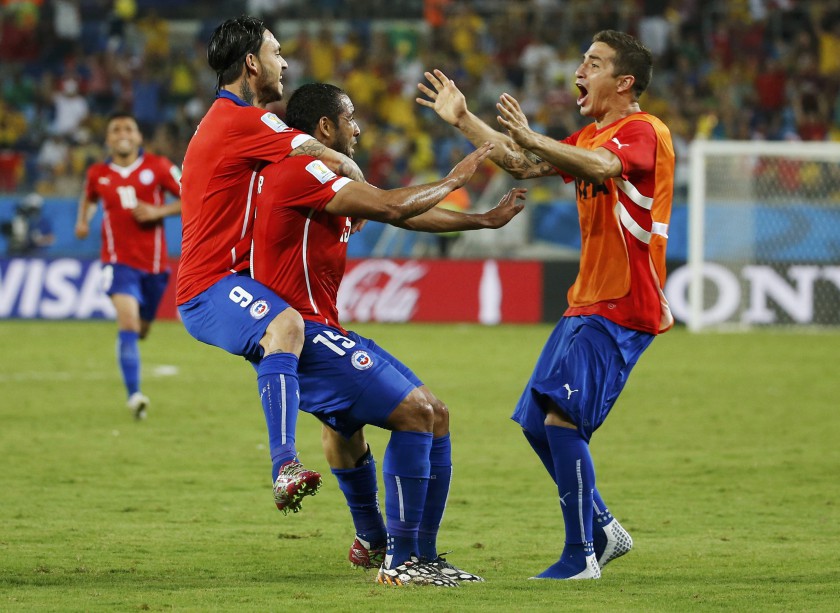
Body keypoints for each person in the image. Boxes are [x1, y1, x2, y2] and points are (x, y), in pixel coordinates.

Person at [417, 30, 675, 580]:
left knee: (562, 417)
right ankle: (602, 527)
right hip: (587, 301)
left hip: (625, 302)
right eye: (582, 58)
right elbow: (520, 161)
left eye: (594, 62)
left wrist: (536, 138)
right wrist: (464, 118)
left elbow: (603, 169)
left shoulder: (644, 132)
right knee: (538, 421)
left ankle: (580, 555)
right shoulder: (588, 135)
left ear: (624, 82)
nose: (580, 69)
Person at [251, 82, 525, 586]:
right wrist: (455, 178)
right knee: (419, 413)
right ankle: (403, 561)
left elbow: (398, 211)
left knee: (403, 419)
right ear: (326, 127)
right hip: (301, 333)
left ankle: (393, 547)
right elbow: (397, 207)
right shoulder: (301, 170)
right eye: (350, 118)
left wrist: (481, 221)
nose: (357, 127)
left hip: (317, 329)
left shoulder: (324, 178)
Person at [176, 16, 366, 515]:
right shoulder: (242, 120)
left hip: (234, 282)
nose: (285, 63)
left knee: (329, 383)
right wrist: (351, 172)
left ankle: (370, 535)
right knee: (285, 324)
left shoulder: (235, 126)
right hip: (209, 284)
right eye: (277, 53)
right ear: (252, 63)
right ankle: (284, 466)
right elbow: (319, 153)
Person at [75, 112, 182, 420]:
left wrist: (157, 211)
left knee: (142, 329)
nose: (122, 133)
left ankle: (135, 348)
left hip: (154, 266)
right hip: (117, 262)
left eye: (128, 128)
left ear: (138, 138)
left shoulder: (158, 167)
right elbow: (89, 198)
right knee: (129, 323)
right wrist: (83, 221)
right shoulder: (97, 172)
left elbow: (191, 198)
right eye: (115, 129)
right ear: (108, 139)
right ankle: (135, 396)